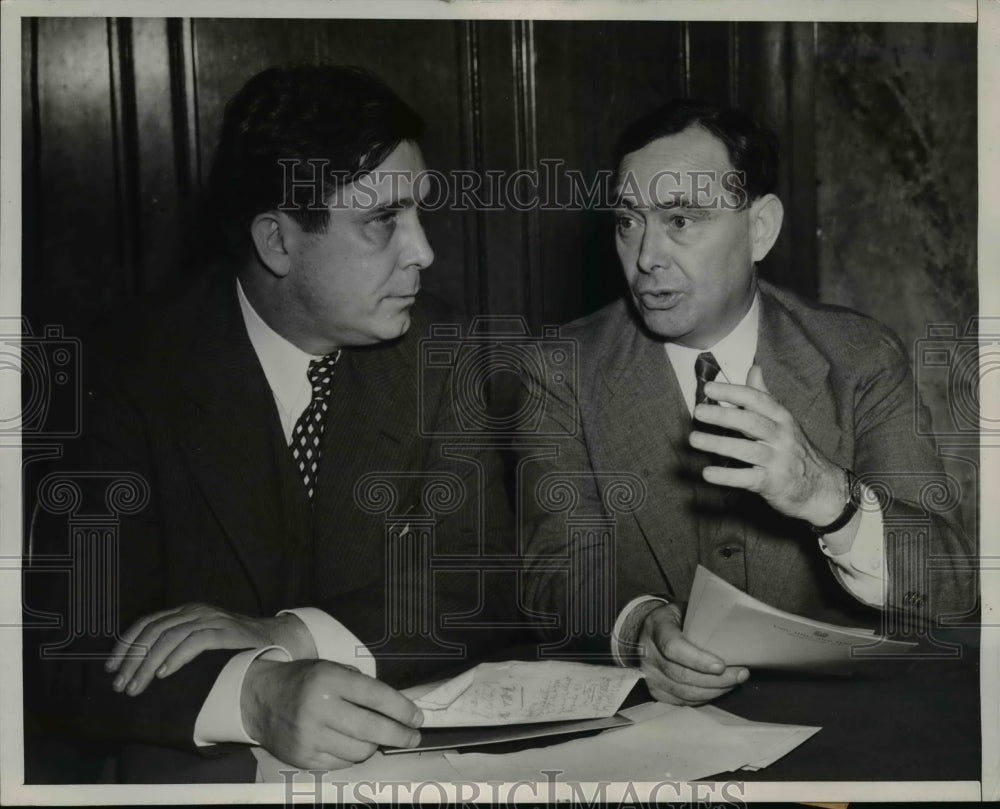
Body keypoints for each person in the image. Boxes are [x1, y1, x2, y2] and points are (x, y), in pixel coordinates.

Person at [25, 64, 514, 783]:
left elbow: (484, 585)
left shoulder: (443, 355)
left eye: (419, 212)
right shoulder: (121, 371)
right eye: (384, 221)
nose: (424, 251)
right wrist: (253, 695)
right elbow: (67, 645)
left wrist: (286, 634)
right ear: (277, 241)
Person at [516, 99, 975, 708]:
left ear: (760, 228)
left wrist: (826, 497)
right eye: (629, 221)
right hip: (655, 730)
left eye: (680, 220)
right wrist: (640, 627)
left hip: (844, 721)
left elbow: (950, 587)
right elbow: (555, 572)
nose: (646, 255)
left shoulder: (860, 356)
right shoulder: (560, 370)